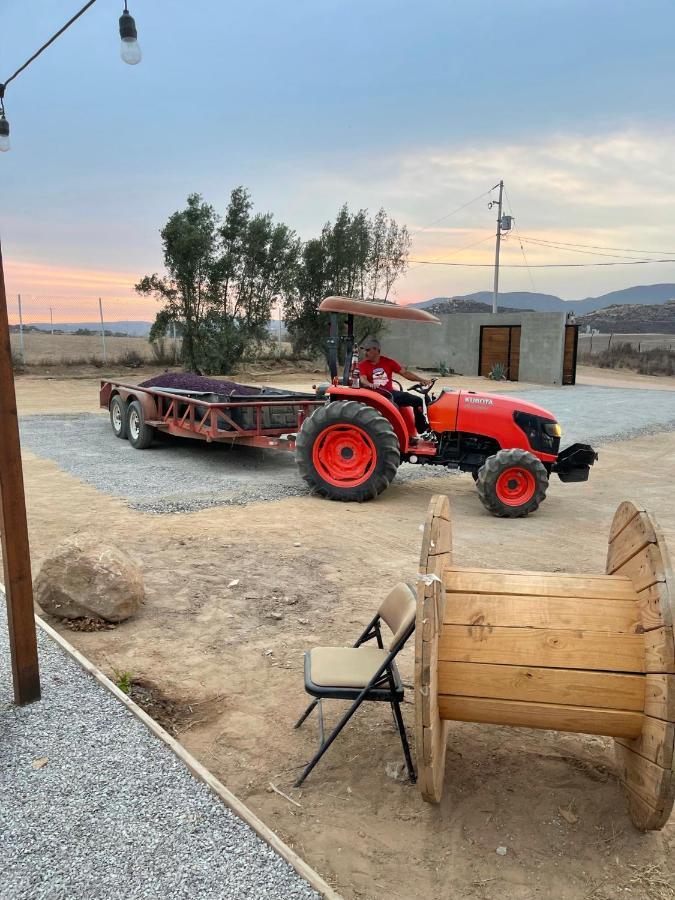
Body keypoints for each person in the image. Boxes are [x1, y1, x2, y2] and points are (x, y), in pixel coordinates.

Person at [358, 336, 432, 435]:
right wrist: (370, 384)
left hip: (389, 394)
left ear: (376, 350)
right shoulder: (363, 365)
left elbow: (405, 373)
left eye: (368, 350)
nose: (365, 353)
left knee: (418, 400)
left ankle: (422, 429)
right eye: (365, 351)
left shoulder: (388, 362)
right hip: (376, 396)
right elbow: (363, 379)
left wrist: (421, 380)